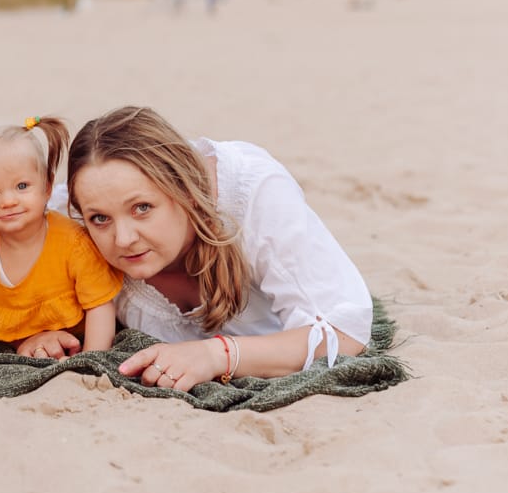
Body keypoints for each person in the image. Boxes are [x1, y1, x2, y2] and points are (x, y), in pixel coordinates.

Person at [53, 106, 372, 391]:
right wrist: (38, 335)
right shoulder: (73, 218)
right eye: (100, 218)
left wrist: (216, 355)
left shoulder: (252, 192)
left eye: (142, 208)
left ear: (188, 192)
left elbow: (344, 332)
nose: (123, 239)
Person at [0, 116, 122, 356]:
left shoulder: (73, 242)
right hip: (14, 346)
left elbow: (100, 306)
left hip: (75, 343)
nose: (8, 201)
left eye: (22, 186)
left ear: (47, 186)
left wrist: (92, 359)